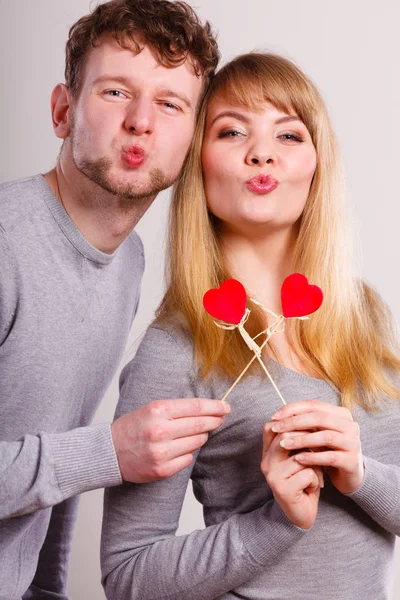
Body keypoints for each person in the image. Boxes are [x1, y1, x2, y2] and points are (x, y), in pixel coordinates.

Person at [101, 51, 400, 600]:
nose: (262, 153)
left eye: (288, 136)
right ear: (199, 162)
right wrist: (277, 520)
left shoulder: (366, 315)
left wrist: (360, 473)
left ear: (318, 161)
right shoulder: (177, 346)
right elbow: (128, 576)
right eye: (232, 131)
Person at [0, 1, 230, 598]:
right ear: (61, 109)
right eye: (114, 93)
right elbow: (82, 450)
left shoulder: (128, 263)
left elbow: (56, 438)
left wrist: (46, 589)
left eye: (170, 103)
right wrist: (108, 452)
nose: (141, 122)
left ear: (192, 140)